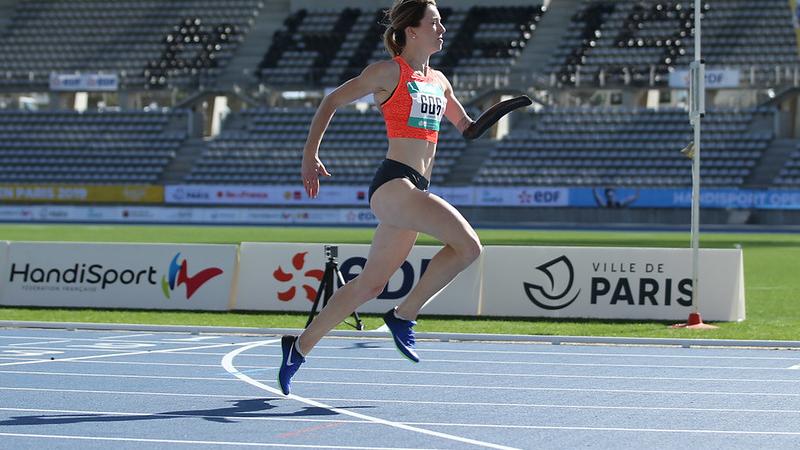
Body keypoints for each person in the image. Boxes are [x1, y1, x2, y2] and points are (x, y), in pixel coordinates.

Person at [278, 0, 531, 395]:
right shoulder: (387, 72)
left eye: (442, 22)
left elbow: (468, 129)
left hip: (415, 187)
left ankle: (298, 346)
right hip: (394, 184)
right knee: (468, 247)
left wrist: (504, 107)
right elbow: (331, 101)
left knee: (370, 285)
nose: (443, 28)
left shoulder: (439, 81)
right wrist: (310, 155)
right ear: (412, 31)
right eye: (435, 22)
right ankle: (404, 315)